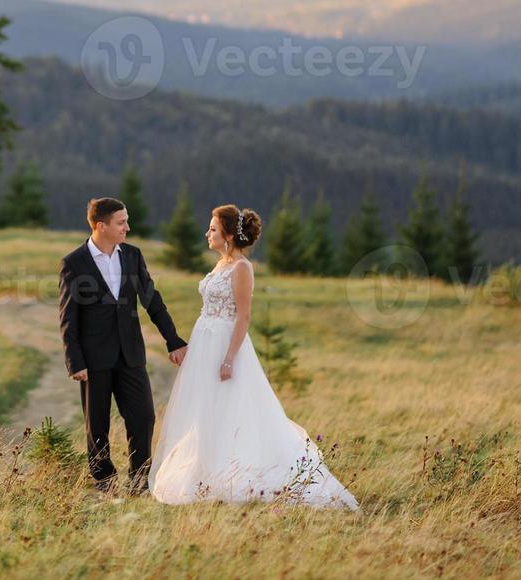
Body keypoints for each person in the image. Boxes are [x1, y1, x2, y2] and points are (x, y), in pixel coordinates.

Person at [147, 203, 359, 510]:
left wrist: (229, 358)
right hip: (205, 343)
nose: (207, 233)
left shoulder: (241, 268)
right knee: (205, 409)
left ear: (229, 235)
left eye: (213, 229)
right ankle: (206, 471)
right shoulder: (220, 264)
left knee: (232, 407)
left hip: (225, 345)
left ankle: (241, 473)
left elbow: (243, 317)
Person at [58, 197, 187, 495]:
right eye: (121, 223)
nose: (127, 227)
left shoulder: (132, 256)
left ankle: (140, 479)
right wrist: (74, 361)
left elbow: (152, 301)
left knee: (143, 415)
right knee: (97, 424)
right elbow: (68, 317)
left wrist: (174, 340)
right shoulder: (73, 263)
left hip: (130, 354)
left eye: (127, 221)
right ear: (100, 226)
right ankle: (104, 479)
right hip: (94, 359)